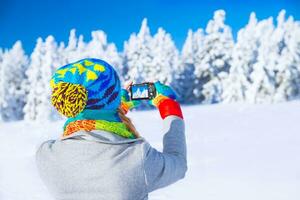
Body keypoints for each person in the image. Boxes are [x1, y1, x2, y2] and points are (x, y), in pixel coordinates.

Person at [36, 58, 187, 200]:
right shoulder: (137, 158)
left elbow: (79, 131)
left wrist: (114, 108)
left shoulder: (45, 155)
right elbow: (178, 164)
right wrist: (169, 107)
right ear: (112, 99)